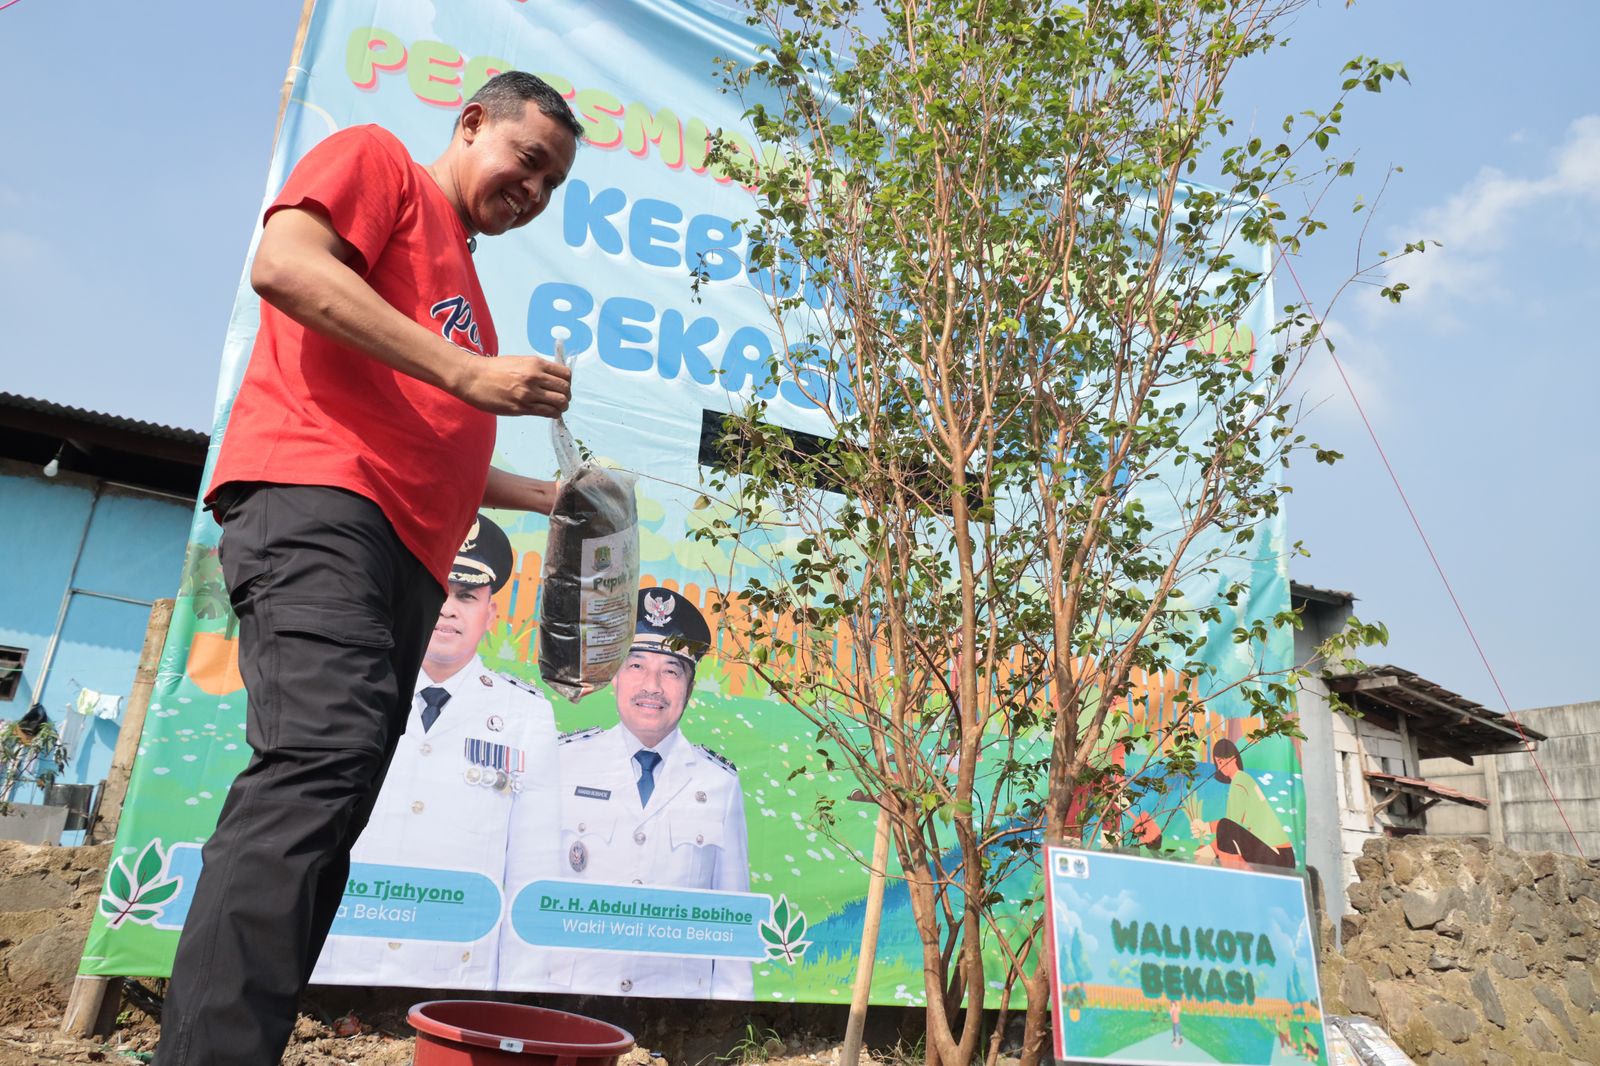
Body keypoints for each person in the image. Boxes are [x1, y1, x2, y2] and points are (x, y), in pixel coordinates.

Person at [158, 72, 582, 1066]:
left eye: (553, 185)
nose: (533, 191)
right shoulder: (378, 161)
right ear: (470, 123)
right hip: (318, 503)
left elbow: (434, 437)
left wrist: (547, 497)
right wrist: (469, 372)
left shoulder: (467, 291)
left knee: (334, 798)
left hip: (405, 554)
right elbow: (287, 265)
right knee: (317, 763)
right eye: (528, 161)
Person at [308, 514, 560, 989]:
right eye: (440, 590)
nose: (448, 609)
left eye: (467, 597)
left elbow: (534, 866)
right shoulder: (354, 686)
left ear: (492, 615)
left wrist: (520, 986)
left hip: (455, 973)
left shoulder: (526, 714)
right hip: (334, 959)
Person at [501, 588, 752, 998]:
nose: (651, 686)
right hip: (571, 996)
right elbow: (526, 893)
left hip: (675, 1007)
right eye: (635, 665)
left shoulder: (718, 784)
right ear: (614, 675)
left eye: (671, 671)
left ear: (689, 686)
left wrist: (731, 1009)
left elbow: (731, 919)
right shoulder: (563, 763)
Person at [1188, 738, 1296, 869]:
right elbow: (1235, 827)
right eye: (1218, 762)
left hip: (1277, 856)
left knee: (1224, 830)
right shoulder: (1243, 780)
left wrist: (1207, 835)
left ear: (1233, 758)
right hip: (1281, 857)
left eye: (1222, 761)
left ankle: (1233, 876)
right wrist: (1207, 835)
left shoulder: (1240, 781)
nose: (1221, 766)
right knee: (1220, 842)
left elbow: (1230, 825)